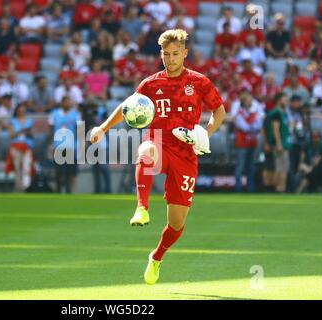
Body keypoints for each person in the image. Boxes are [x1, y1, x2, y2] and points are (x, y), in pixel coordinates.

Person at [90, 29, 226, 285]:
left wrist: (205, 133)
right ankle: (142, 207)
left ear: (185, 53)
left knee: (176, 224)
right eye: (166, 54)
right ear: (160, 54)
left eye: (176, 54)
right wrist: (102, 128)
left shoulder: (199, 82)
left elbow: (219, 111)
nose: (171, 59)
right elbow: (127, 106)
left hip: (186, 153)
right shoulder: (150, 84)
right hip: (159, 143)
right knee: (145, 150)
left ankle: (157, 257)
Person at [49, 96, 81, 194]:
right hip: (58, 146)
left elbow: (79, 131)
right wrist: (51, 145)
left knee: (70, 171)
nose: (68, 104)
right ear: (62, 103)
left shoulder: (76, 114)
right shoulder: (54, 114)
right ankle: (58, 190)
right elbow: (50, 130)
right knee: (59, 171)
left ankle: (69, 191)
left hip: (71, 146)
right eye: (66, 102)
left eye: (69, 102)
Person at [233, 89, 263, 192]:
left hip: (251, 143)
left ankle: (251, 189)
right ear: (244, 101)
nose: (251, 101)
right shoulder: (239, 114)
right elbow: (244, 127)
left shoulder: (253, 114)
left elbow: (258, 125)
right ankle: (238, 189)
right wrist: (252, 126)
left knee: (251, 168)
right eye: (249, 99)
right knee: (240, 167)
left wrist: (251, 126)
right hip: (241, 144)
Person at [263, 93, 290, 193]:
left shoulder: (282, 113)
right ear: (279, 100)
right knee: (281, 167)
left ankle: (280, 188)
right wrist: (278, 143)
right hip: (280, 144)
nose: (286, 101)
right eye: (284, 99)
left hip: (283, 143)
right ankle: (279, 188)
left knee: (282, 167)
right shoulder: (277, 113)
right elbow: (276, 129)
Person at [5, 103, 35, 192]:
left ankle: (26, 187)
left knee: (27, 166)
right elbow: (11, 135)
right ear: (16, 111)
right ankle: (18, 187)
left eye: (23, 111)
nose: (21, 112)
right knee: (17, 167)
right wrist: (21, 130)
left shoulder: (29, 121)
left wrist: (29, 132)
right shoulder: (12, 121)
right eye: (20, 111)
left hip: (26, 145)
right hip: (16, 146)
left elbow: (32, 134)